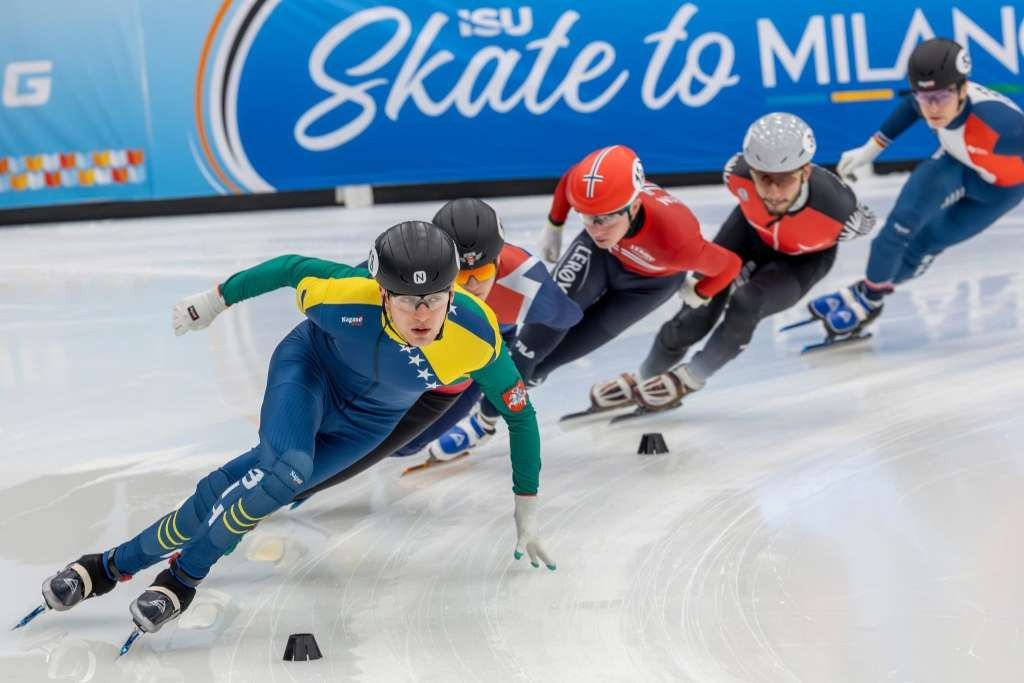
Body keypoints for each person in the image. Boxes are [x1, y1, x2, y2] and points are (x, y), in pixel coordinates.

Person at [25, 221, 555, 646]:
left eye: (435, 299)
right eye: (404, 299)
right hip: (309, 372)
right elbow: (287, 268)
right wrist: (213, 301)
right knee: (286, 469)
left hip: (372, 421)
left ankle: (110, 566)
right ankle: (171, 578)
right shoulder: (344, 295)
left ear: (451, 292)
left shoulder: (475, 335)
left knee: (268, 481)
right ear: (380, 290)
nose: (422, 314)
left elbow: (520, 415)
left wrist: (525, 505)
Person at [589, 113, 875, 412]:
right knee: (695, 309)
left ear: (805, 172)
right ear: (750, 170)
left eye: (784, 179)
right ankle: (645, 376)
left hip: (801, 262)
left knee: (748, 302)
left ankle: (691, 378)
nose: (773, 192)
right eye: (763, 178)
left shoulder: (842, 214)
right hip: (748, 236)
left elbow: (873, 225)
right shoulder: (734, 174)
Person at [808, 38, 1024, 335]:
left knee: (926, 243)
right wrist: (870, 149)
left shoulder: (1003, 127)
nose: (932, 108)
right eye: (925, 97)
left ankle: (869, 294)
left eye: (942, 97)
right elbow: (909, 107)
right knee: (897, 228)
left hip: (999, 192)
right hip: (955, 164)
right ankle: (871, 293)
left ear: (963, 89)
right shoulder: (926, 99)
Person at [520, 145, 743, 405]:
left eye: (606, 218)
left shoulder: (678, 243)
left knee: (545, 365)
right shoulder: (595, 201)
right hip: (602, 256)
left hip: (647, 287)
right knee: (533, 339)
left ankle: (493, 405)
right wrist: (554, 224)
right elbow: (574, 177)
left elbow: (730, 265)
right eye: (589, 218)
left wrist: (699, 291)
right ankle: (482, 411)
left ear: (634, 208)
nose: (597, 229)